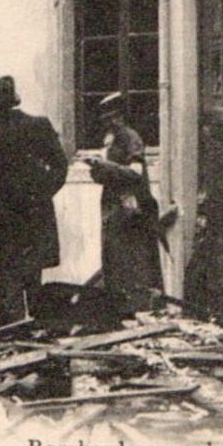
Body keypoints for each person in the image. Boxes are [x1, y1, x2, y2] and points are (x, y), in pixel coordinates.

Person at [0, 75, 68, 327]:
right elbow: (60, 166)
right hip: (37, 216)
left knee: (10, 283)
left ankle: (12, 340)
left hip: (6, 220)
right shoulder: (39, 125)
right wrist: (41, 193)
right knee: (33, 278)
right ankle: (40, 334)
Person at [87, 92, 163, 318]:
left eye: (114, 117)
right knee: (114, 260)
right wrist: (97, 169)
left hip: (132, 210)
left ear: (122, 116)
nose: (110, 123)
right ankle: (120, 311)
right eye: (107, 119)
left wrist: (105, 166)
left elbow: (135, 173)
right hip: (114, 207)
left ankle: (138, 310)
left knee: (134, 264)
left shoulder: (131, 138)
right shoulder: (111, 140)